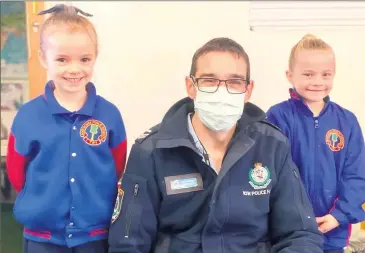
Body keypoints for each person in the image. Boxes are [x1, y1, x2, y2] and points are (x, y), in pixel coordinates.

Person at [108, 37, 323, 253]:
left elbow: (301, 234)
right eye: (209, 80)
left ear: (248, 91)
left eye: (234, 82)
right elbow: (127, 242)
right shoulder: (151, 151)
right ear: (190, 87)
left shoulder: (272, 146)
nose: (222, 92)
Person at [6, 4, 127, 253]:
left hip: (94, 233)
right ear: (43, 58)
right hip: (42, 236)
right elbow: (17, 172)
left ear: (95, 57)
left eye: (84, 59)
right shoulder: (28, 115)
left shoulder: (110, 114)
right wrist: (42, 201)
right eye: (62, 59)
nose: (74, 69)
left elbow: (116, 166)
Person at [266, 34, 365, 253]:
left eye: (325, 74)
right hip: (288, 231)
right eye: (308, 74)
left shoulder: (346, 121)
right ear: (290, 75)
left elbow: (356, 174)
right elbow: (269, 172)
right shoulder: (277, 116)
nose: (318, 81)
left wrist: (338, 216)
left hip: (333, 230)